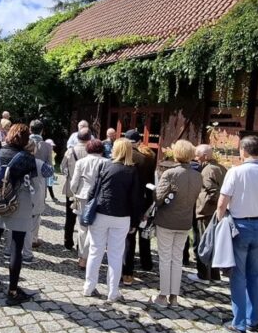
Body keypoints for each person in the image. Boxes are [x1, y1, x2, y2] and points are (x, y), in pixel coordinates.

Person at [216, 136, 258, 333]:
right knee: (255, 274)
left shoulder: (235, 172)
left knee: (238, 275)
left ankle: (239, 323)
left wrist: (220, 223)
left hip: (240, 225)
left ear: (243, 151)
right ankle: (253, 318)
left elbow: (222, 203)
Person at [0, 124, 53, 304]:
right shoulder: (28, 159)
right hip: (21, 205)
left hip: (0, 202)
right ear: (26, 139)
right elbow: (48, 172)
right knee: (16, 248)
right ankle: (12, 291)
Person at [83, 139, 143, 303]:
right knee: (116, 255)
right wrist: (135, 221)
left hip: (101, 212)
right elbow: (136, 199)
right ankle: (113, 291)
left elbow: (93, 190)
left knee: (95, 251)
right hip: (122, 216)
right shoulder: (132, 171)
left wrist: (88, 210)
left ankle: (89, 287)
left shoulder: (104, 166)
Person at [150, 140, 202, 306]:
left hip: (167, 220)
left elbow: (158, 198)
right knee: (177, 259)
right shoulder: (198, 175)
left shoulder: (170, 173)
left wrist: (153, 190)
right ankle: (174, 297)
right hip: (185, 220)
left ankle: (163, 295)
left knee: (165, 258)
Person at [69, 139, 109, 268]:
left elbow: (74, 182)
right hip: (100, 198)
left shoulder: (81, 162)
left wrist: (74, 192)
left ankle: (82, 256)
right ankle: (88, 256)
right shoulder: (107, 163)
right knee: (95, 228)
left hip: (83, 196)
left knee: (82, 228)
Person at [189, 144, 226, 283]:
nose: (196, 159)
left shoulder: (207, 170)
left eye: (197, 156)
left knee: (202, 243)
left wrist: (207, 205)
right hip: (216, 212)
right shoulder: (222, 168)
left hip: (205, 212)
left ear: (205, 156)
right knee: (213, 243)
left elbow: (212, 191)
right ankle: (215, 274)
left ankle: (203, 274)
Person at [122, 129, 155, 285]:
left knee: (127, 237)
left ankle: (125, 270)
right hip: (143, 199)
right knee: (139, 234)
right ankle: (142, 265)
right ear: (139, 143)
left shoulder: (122, 157)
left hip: (125, 200)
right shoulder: (146, 158)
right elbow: (150, 182)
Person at [60, 128, 92, 256]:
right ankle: (82, 245)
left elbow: (63, 168)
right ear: (89, 138)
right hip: (86, 189)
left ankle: (68, 241)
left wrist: (69, 174)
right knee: (85, 218)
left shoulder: (70, 151)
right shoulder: (92, 152)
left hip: (71, 189)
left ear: (77, 138)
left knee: (70, 216)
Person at [27, 119, 54, 256]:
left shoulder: (24, 141)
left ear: (30, 129)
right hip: (39, 179)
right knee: (36, 212)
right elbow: (50, 167)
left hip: (24, 176)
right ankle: (33, 238)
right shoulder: (47, 146)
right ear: (42, 131)